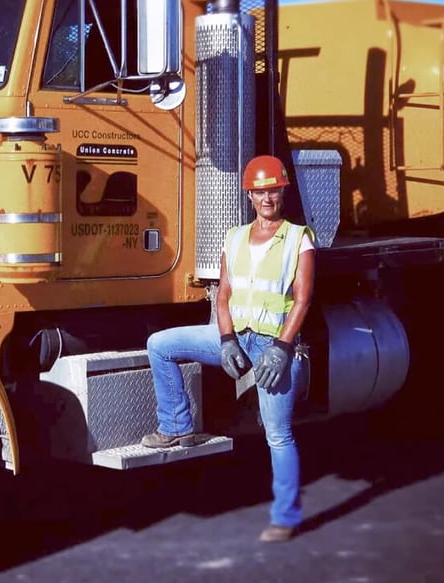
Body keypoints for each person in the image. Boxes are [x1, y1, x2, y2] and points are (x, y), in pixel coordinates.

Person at [140, 154, 316, 543]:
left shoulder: (298, 238)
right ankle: (175, 427)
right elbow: (223, 297)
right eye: (260, 191)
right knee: (160, 345)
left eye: (274, 190)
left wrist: (283, 349)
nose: (267, 198)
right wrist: (225, 341)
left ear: (282, 192)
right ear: (249, 195)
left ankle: (285, 518)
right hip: (237, 338)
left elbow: (302, 300)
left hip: (275, 346)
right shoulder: (234, 237)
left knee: (278, 435)